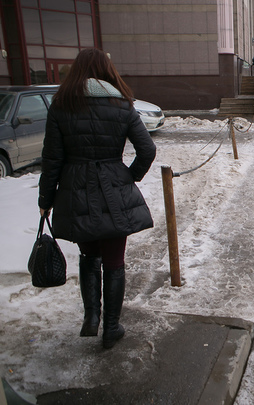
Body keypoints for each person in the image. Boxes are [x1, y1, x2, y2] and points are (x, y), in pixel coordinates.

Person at [38, 48, 157, 349]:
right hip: (113, 191)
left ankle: (92, 317)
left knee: (89, 255)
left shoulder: (62, 104)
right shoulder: (121, 103)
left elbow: (52, 158)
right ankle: (111, 328)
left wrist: (46, 198)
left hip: (76, 192)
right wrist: (129, 177)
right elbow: (147, 150)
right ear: (106, 69)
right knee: (115, 261)